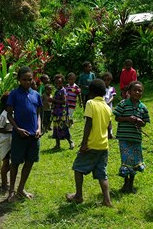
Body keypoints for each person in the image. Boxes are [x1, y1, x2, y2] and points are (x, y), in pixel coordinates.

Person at [65, 79, 113, 207]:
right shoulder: (107, 107)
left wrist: (84, 143)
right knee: (102, 173)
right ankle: (107, 200)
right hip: (104, 145)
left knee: (78, 168)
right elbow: (109, 127)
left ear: (91, 92)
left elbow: (88, 124)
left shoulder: (90, 103)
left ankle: (78, 196)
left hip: (91, 144)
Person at [6, 66, 43, 202]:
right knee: (15, 162)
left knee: (29, 162)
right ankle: (11, 191)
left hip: (34, 136)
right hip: (20, 135)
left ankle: (21, 188)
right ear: (19, 80)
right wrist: (17, 129)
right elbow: (9, 115)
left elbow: (38, 113)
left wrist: (39, 128)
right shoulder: (14, 94)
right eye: (24, 80)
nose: (27, 82)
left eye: (29, 79)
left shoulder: (36, 95)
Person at [113, 81, 150, 193]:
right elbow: (117, 118)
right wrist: (128, 118)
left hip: (136, 138)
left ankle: (131, 184)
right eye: (135, 90)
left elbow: (145, 122)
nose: (137, 92)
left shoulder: (143, 107)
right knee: (126, 160)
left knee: (135, 161)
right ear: (129, 92)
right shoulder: (123, 104)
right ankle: (126, 183)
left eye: (140, 90)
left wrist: (140, 122)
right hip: (124, 137)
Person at [49, 74, 74, 150]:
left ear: (62, 83)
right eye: (56, 83)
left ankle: (71, 142)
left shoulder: (63, 91)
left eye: (59, 83)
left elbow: (63, 101)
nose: (58, 84)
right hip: (56, 113)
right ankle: (57, 145)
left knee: (64, 128)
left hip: (62, 113)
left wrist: (53, 100)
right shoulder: (57, 91)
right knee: (56, 128)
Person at [0, 93, 13, 192]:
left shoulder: (13, 113)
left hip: (12, 141)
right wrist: (12, 131)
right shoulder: (3, 116)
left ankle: (6, 179)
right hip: (4, 142)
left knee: (16, 161)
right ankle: (4, 183)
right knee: (5, 163)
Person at [101, 72, 116, 139]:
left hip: (109, 107)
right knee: (103, 120)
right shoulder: (101, 89)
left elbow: (113, 97)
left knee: (109, 120)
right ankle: (104, 134)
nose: (106, 82)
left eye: (108, 80)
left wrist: (108, 102)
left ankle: (110, 133)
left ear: (110, 80)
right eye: (105, 80)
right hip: (101, 107)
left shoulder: (112, 88)